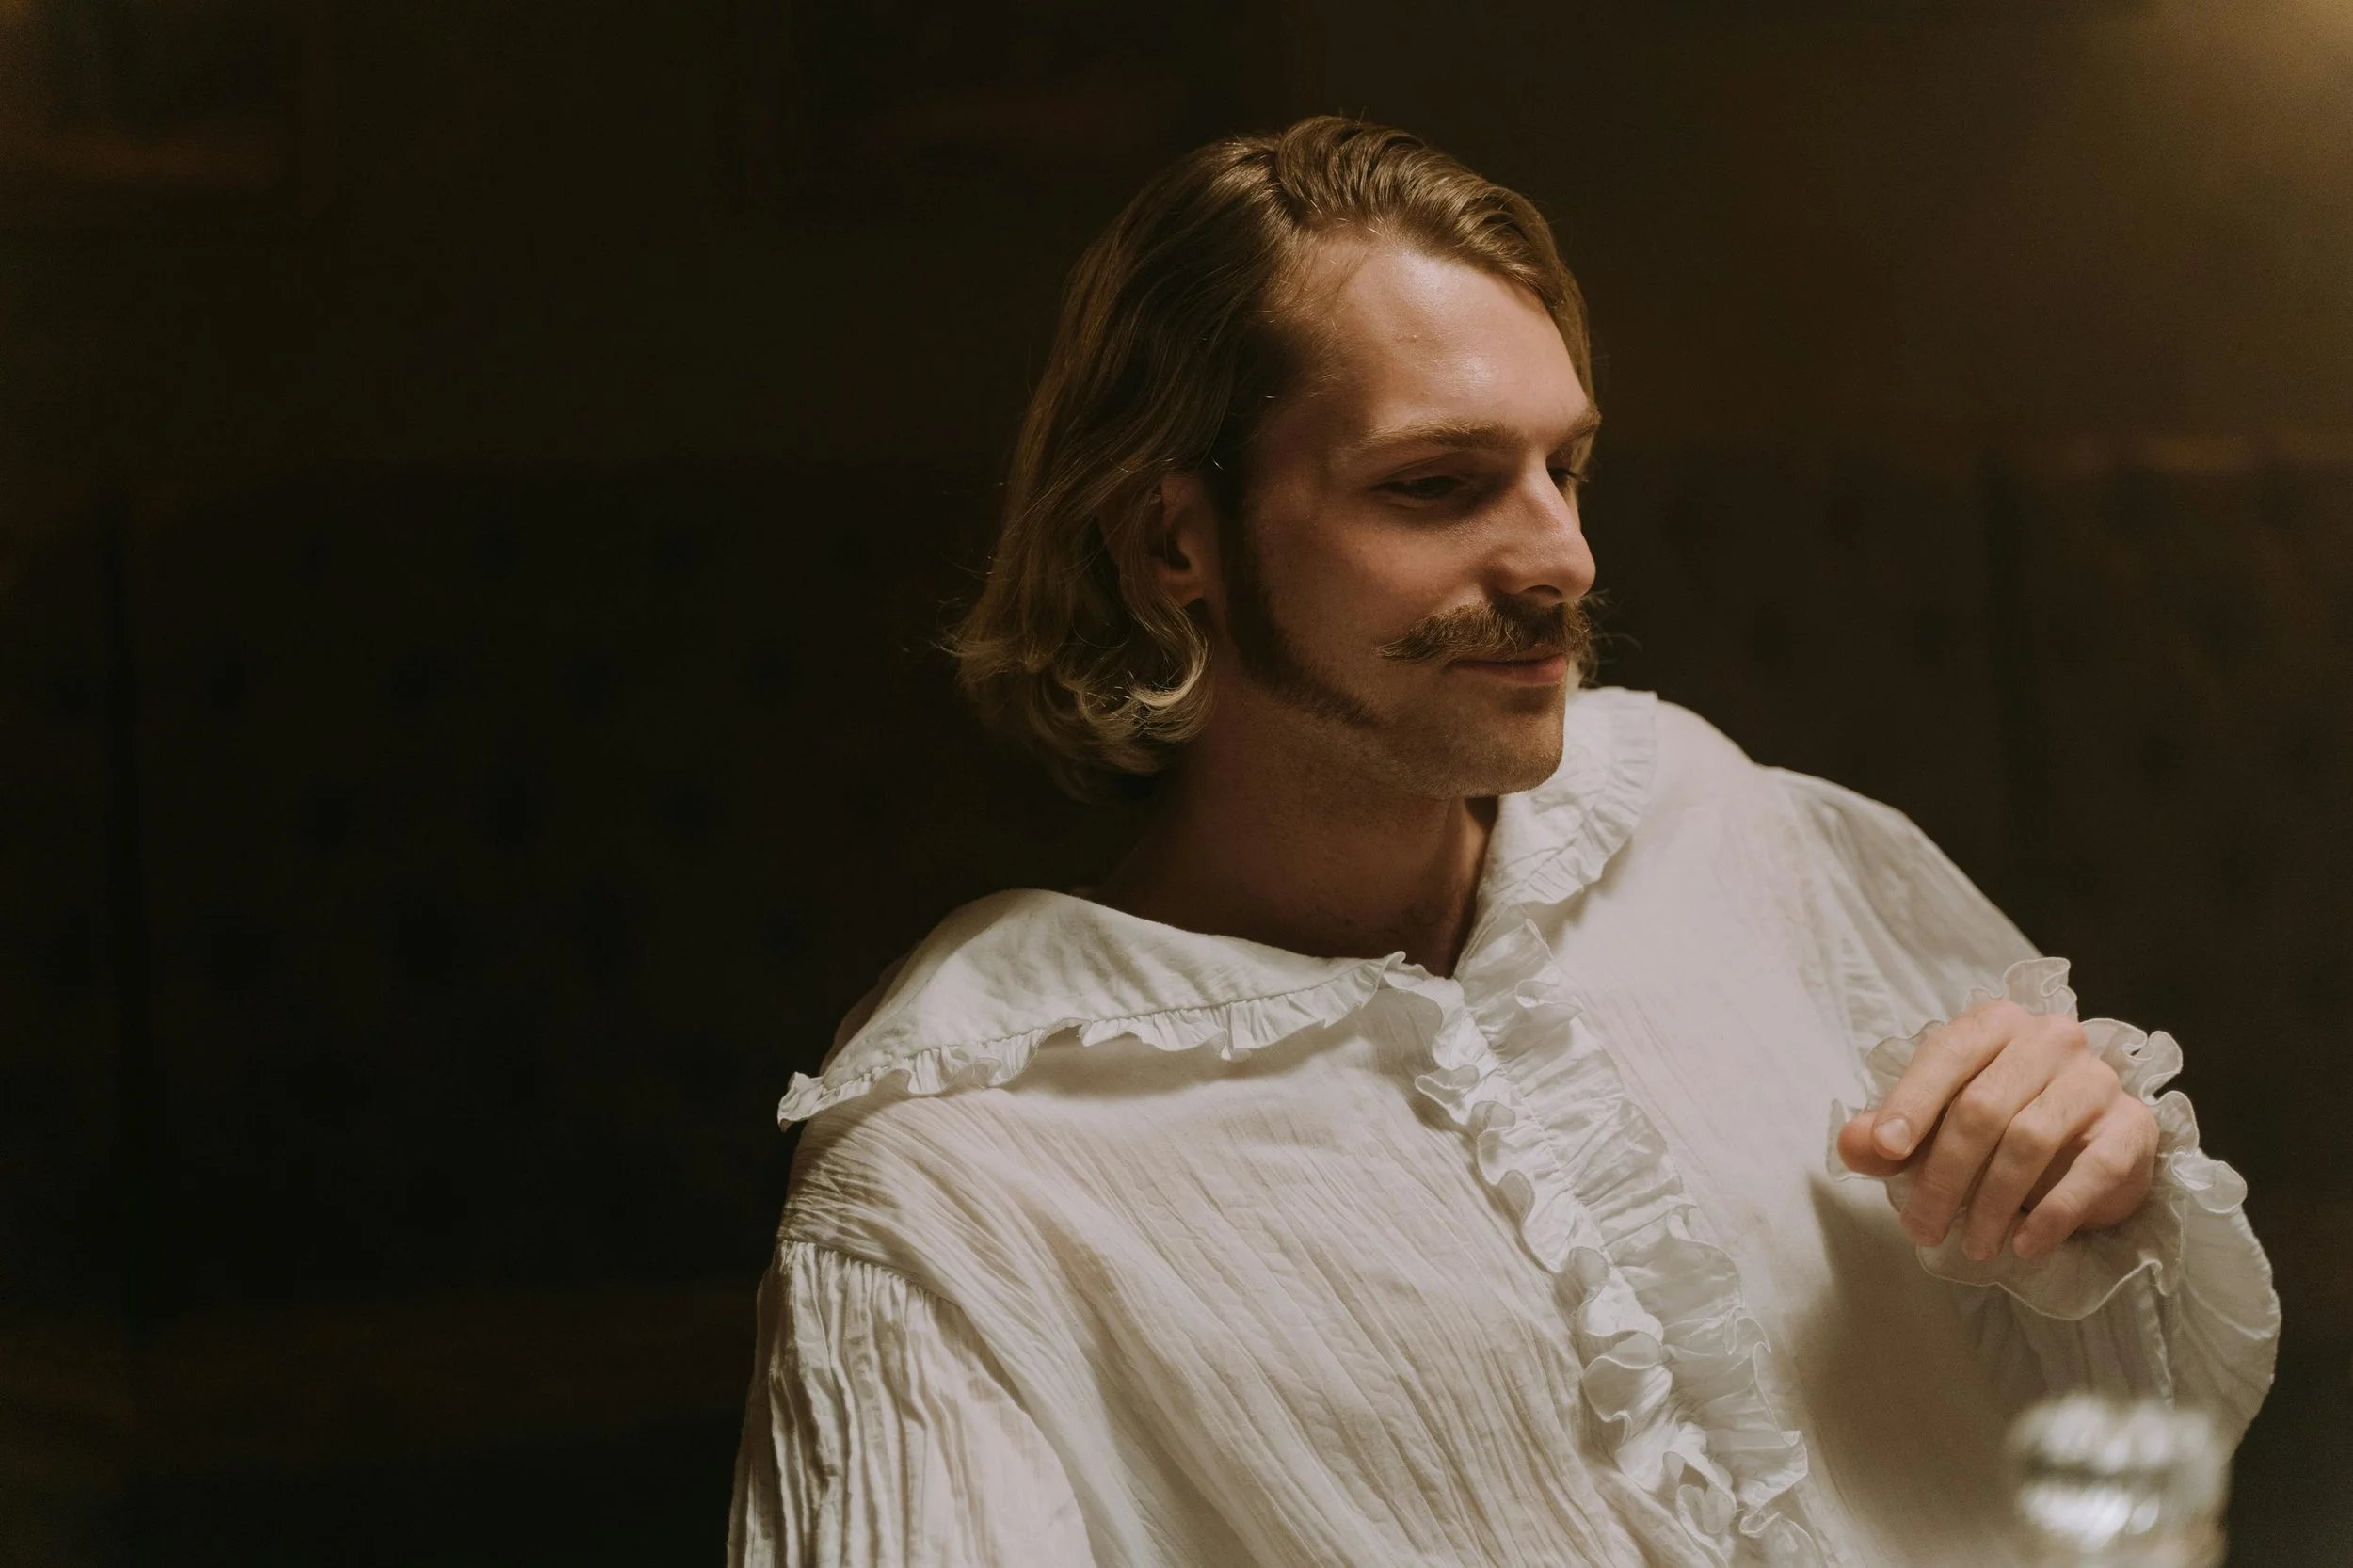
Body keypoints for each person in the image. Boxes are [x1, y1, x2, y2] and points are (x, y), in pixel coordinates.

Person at [728, 117, 2279, 1567]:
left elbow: (2135, 1453)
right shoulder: (965, 1168)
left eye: (1565, 467)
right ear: (1171, 541)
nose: (1563, 556)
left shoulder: (1714, 818)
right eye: (1436, 485)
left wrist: (2084, 1194)